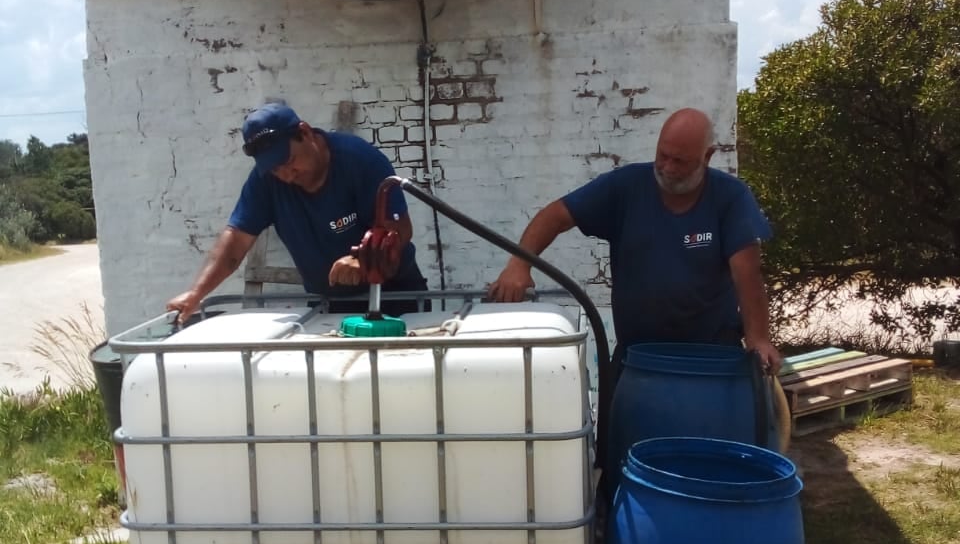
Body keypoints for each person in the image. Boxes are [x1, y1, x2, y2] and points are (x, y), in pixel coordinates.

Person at [487, 107, 782, 373]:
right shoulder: (626, 187)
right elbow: (555, 216)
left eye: (679, 161)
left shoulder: (730, 197)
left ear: (707, 157)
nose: (667, 168)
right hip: (637, 359)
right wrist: (519, 265)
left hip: (710, 359)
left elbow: (746, 273)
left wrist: (758, 339)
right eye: (662, 155)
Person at [167, 102, 427, 323]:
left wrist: (363, 261)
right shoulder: (267, 182)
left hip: (395, 298)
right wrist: (196, 293)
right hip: (329, 305)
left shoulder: (359, 160)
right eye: (275, 169)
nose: (286, 175)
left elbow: (400, 229)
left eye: (288, 162)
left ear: (304, 133)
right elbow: (236, 240)